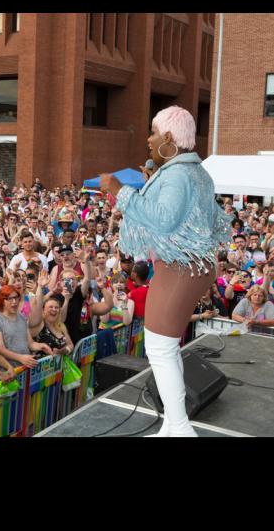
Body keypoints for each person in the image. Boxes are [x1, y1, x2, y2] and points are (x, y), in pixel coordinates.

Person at [101, 105, 231, 437]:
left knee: (159, 348)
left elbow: (164, 219)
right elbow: (198, 218)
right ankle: (173, 425)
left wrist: (119, 190)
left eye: (153, 132)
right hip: (191, 264)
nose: (149, 139)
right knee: (165, 348)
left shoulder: (177, 174)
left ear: (169, 138)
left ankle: (181, 428)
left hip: (181, 266)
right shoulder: (196, 172)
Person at [0, 285, 53, 369]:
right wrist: (20, 358)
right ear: (2, 300)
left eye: (16, 297)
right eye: (9, 299)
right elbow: (0, 349)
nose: (14, 301)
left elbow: (30, 343)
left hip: (26, 367)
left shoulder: (22, 317)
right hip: (9, 370)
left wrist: (41, 346)